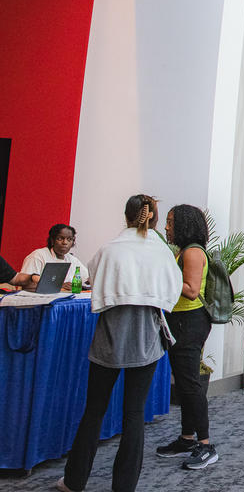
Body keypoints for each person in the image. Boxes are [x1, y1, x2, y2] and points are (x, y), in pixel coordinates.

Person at [59, 194, 182, 492]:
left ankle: (74, 481)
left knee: (94, 410)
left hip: (110, 334)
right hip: (145, 336)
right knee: (134, 413)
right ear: (152, 217)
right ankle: (124, 486)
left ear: (126, 216)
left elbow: (92, 277)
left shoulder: (109, 249)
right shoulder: (161, 251)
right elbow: (174, 288)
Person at [154, 205, 218, 469]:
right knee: (183, 383)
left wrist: (161, 276)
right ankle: (186, 438)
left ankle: (205, 445)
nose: (166, 227)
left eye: (170, 222)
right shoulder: (185, 250)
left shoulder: (192, 252)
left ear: (184, 224)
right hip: (180, 321)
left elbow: (191, 291)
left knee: (190, 385)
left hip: (189, 322)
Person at [20, 224, 89, 290]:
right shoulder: (38, 255)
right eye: (60, 239)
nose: (65, 242)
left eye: (69, 239)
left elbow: (87, 279)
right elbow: (26, 284)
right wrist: (59, 285)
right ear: (52, 240)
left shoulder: (72, 260)